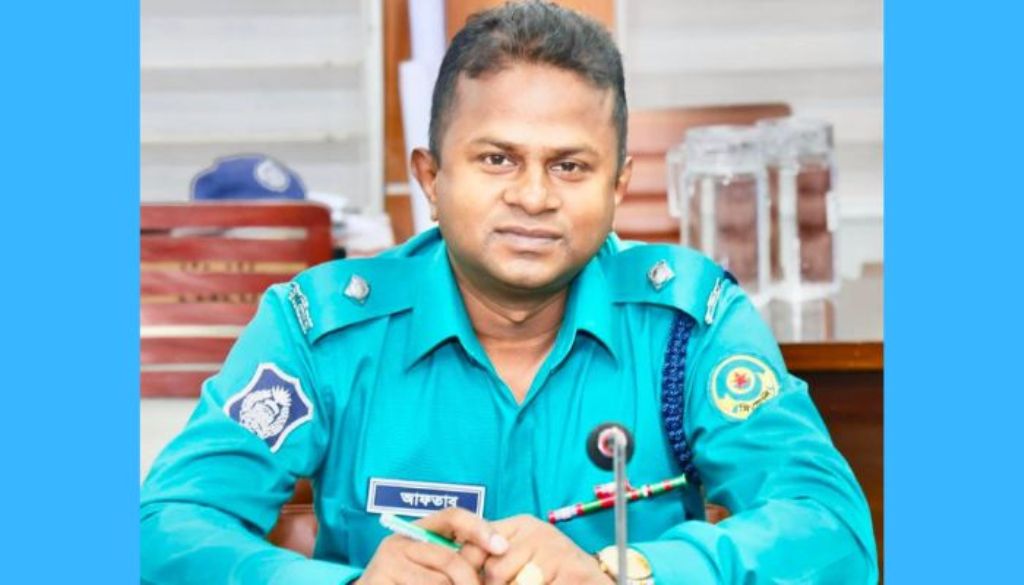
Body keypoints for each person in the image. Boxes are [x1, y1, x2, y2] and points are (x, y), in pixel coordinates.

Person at [140, 2, 878, 583]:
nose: (532, 196)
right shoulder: (320, 329)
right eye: (497, 159)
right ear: (432, 177)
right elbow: (163, 528)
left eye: (569, 166)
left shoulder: (689, 324)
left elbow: (834, 531)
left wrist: (623, 571)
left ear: (619, 186)